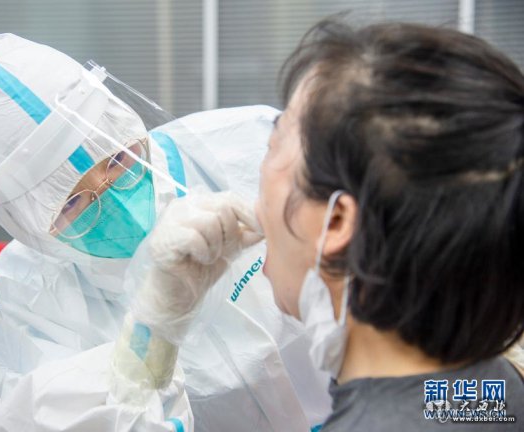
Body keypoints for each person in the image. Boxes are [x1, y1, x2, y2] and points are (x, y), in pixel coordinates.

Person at [143, 19, 524, 430]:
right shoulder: (492, 387)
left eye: (273, 145)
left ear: (337, 221)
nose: (255, 176)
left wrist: (152, 334)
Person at [0, 34, 331, 431]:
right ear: (24, 223)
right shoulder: (29, 296)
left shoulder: (246, 145)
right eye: (73, 204)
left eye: (118, 159)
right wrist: (152, 330)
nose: (115, 202)